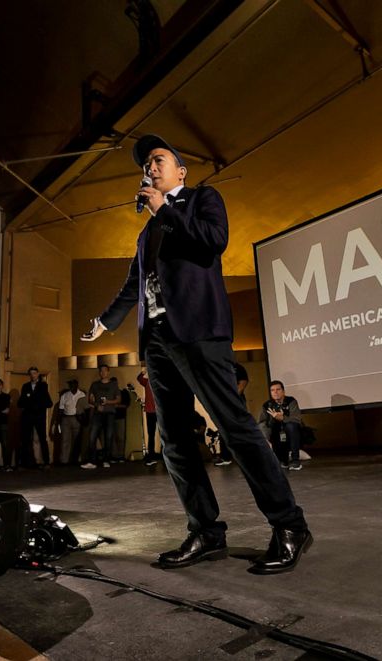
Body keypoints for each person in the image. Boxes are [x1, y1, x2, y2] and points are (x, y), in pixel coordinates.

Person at [82, 134, 310, 574]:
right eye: (146, 164)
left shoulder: (202, 199)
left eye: (158, 159)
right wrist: (105, 322)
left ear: (180, 171)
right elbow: (135, 284)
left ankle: (290, 525)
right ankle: (206, 531)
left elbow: (213, 241)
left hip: (199, 333)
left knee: (235, 426)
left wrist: (164, 210)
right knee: (175, 442)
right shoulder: (148, 232)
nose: (150, 167)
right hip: (159, 341)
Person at [259, 380, 304, 471]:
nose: (275, 392)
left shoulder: (291, 401)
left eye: (278, 389)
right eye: (272, 390)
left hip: (292, 432)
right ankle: (282, 459)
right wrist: (265, 438)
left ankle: (295, 460)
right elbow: (262, 422)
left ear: (283, 391)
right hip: (276, 433)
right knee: (282, 461)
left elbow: (296, 419)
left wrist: (282, 418)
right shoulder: (267, 405)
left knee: (291, 426)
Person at [84, 365, 119, 469]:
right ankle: (92, 461)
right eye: (101, 371)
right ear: (99, 372)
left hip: (110, 413)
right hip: (97, 413)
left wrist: (108, 402)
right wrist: (96, 405)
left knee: (108, 437)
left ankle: (106, 460)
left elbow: (118, 399)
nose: (103, 373)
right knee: (92, 436)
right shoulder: (95, 385)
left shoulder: (113, 384)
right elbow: (90, 399)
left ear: (108, 372)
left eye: (105, 371)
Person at [17, 367, 53, 469]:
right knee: (25, 440)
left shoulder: (43, 386)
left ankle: (46, 462)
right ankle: (24, 463)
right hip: (28, 417)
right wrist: (27, 403)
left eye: (34, 373)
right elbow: (21, 402)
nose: (32, 375)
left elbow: (48, 402)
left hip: (39, 417)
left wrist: (37, 405)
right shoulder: (26, 386)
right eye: (31, 373)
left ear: (38, 374)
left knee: (42, 439)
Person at [55, 379, 86, 465]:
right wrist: (58, 423)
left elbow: (85, 408)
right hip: (66, 418)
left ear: (77, 384)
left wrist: (84, 421)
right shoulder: (64, 395)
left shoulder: (82, 394)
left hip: (77, 418)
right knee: (65, 440)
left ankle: (77, 459)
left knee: (77, 440)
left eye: (73, 384)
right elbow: (60, 410)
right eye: (70, 384)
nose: (71, 386)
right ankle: (64, 460)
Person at [135, 367, 159, 465]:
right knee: (151, 434)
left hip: (160, 412)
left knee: (164, 435)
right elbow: (139, 378)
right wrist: (143, 372)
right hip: (150, 411)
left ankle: (167, 457)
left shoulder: (160, 381)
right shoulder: (147, 381)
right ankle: (151, 457)